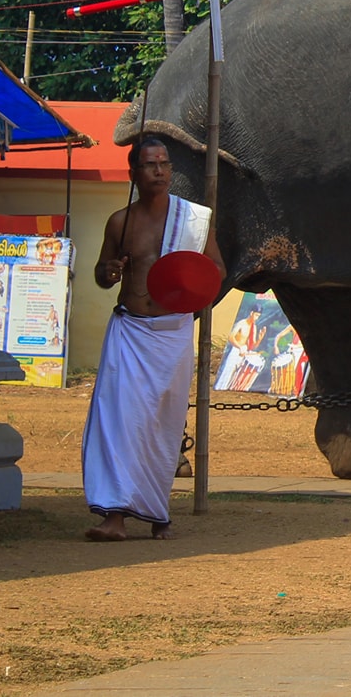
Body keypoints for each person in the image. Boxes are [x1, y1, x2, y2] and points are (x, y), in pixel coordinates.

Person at [81, 136, 222, 541]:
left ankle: (158, 512)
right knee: (118, 421)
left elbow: (216, 269)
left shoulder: (194, 220)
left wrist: (186, 285)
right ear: (134, 173)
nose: (159, 171)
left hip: (171, 333)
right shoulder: (120, 222)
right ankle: (115, 516)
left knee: (161, 424)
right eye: (149, 165)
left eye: (164, 164)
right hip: (129, 330)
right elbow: (102, 275)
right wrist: (109, 270)